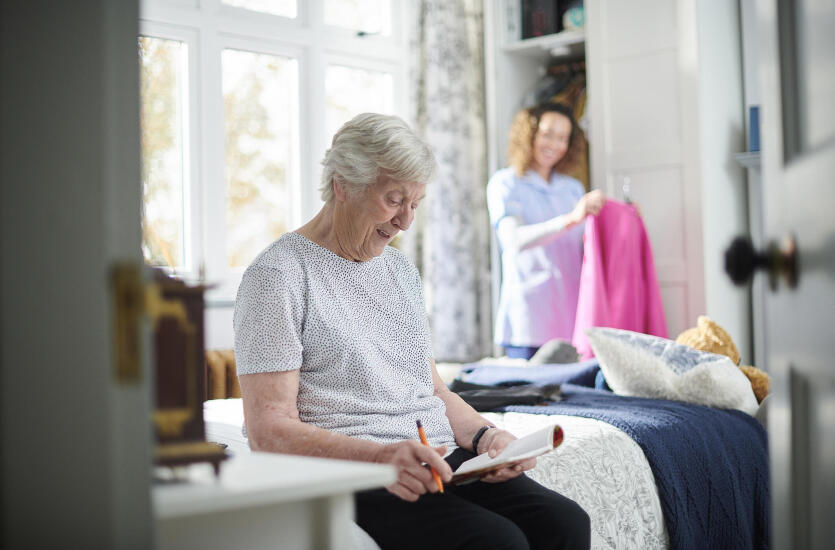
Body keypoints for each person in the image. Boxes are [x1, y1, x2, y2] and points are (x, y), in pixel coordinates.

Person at [234, 112, 591, 550]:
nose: (405, 221)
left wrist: (486, 438)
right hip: (358, 469)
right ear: (343, 184)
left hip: (436, 458)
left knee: (565, 522)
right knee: (497, 541)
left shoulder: (400, 270)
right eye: (393, 200)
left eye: (415, 204)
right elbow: (268, 429)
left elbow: (431, 389)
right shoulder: (277, 275)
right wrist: (383, 456)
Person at [487, 102, 606, 360]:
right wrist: (570, 219)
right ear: (529, 134)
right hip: (528, 320)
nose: (555, 144)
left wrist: (624, 216)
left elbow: (591, 243)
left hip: (572, 318)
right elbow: (513, 240)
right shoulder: (505, 184)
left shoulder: (572, 189)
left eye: (562, 138)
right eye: (548, 134)